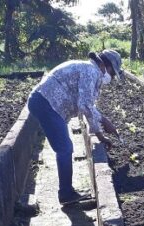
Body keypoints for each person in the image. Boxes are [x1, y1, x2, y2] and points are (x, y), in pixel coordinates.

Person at [27, 49, 125, 205]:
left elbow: (87, 108)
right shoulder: (91, 71)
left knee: (64, 147)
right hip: (47, 103)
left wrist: (100, 136)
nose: (111, 78)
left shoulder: (90, 70)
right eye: (113, 73)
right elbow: (85, 105)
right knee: (65, 148)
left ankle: (66, 192)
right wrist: (105, 121)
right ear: (105, 65)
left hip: (47, 103)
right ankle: (66, 194)